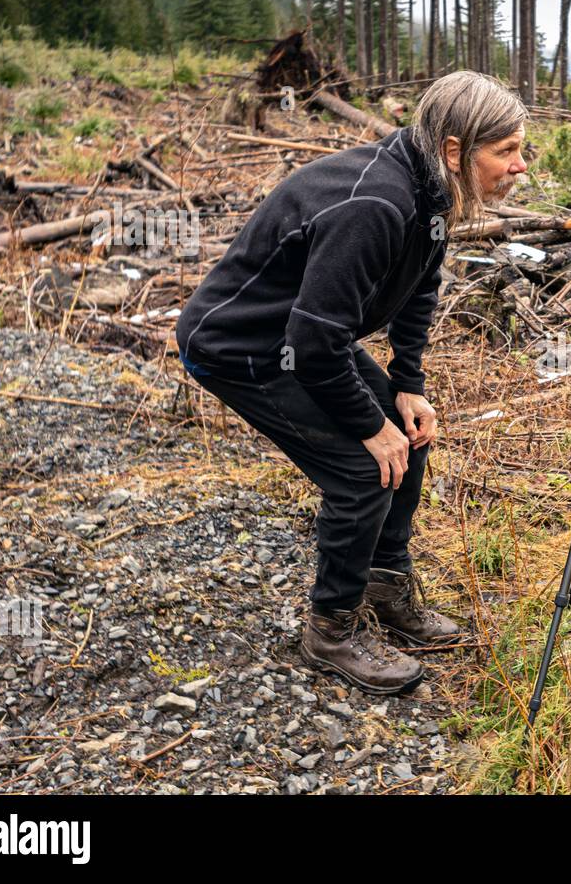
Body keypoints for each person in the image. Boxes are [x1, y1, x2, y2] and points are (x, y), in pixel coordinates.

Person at [175, 71, 528, 694]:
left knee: (409, 435)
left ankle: (386, 587)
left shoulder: (430, 190)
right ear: (454, 150)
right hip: (240, 346)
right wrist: (368, 427)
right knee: (363, 468)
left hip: (302, 340)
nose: (519, 167)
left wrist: (406, 384)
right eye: (505, 151)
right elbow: (313, 347)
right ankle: (332, 628)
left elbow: (421, 286)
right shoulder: (377, 204)